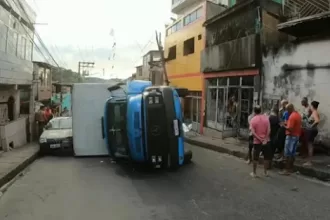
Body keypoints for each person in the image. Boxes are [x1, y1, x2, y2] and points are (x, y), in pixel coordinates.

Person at [280, 103, 302, 175]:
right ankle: (291, 169)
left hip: (291, 136)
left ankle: (287, 170)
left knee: (288, 154)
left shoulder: (292, 116)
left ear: (290, 109)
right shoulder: (298, 115)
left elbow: (290, 129)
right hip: (296, 136)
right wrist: (287, 124)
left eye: (287, 109)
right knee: (292, 154)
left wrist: (284, 126)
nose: (286, 111)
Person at [249, 105, 271, 177]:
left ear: (254, 111)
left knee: (255, 157)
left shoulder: (253, 120)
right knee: (266, 157)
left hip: (257, 142)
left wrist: (260, 139)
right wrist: (265, 139)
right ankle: (266, 172)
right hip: (266, 141)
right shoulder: (266, 118)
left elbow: (253, 132)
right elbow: (269, 130)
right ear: (261, 110)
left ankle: (254, 173)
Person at [303, 101, 320, 166]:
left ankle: (309, 162)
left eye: (310, 105)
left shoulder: (314, 112)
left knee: (310, 146)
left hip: (311, 130)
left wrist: (311, 126)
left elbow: (317, 120)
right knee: (309, 145)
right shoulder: (314, 112)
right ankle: (309, 160)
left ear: (312, 106)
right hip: (312, 130)